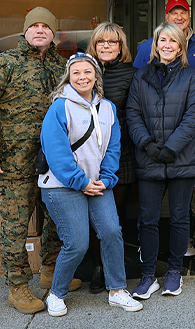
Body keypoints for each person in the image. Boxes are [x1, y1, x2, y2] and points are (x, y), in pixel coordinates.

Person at [0, 7, 74, 315]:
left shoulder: (64, 66)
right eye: (34, 26)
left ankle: (50, 269)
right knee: (15, 227)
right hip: (14, 163)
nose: (40, 30)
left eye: (46, 26)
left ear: (54, 33)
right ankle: (17, 286)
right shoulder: (4, 64)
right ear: (25, 31)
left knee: (56, 220)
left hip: (54, 162)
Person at [39, 53, 142, 316]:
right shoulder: (59, 107)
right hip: (62, 185)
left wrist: (106, 178)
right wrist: (80, 182)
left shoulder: (108, 108)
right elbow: (56, 153)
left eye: (88, 72)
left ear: (96, 76)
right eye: (76, 73)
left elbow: (113, 147)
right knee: (77, 242)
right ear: (69, 77)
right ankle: (56, 294)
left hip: (97, 183)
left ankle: (117, 290)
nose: (82, 77)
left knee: (111, 232)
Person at [126, 22, 195, 300]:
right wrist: (147, 144)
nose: (168, 45)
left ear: (181, 46)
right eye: (163, 40)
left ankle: (174, 272)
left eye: (174, 40)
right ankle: (148, 275)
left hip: (182, 158)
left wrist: (171, 148)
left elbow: (194, 116)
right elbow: (132, 114)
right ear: (155, 45)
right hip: (149, 158)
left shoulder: (191, 76)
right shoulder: (141, 77)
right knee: (147, 219)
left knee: (180, 218)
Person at [84, 23, 138, 293]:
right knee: (94, 217)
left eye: (112, 42)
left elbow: (135, 115)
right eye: (101, 41)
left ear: (121, 47)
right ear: (94, 45)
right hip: (88, 158)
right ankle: (97, 268)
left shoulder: (132, 74)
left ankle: (113, 267)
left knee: (114, 218)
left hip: (122, 157)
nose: (106, 46)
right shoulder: (82, 71)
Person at [133, 0, 195, 70]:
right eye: (174, 13)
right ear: (167, 17)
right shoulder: (146, 46)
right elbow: (138, 78)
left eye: (183, 13)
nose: (179, 17)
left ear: (189, 15)